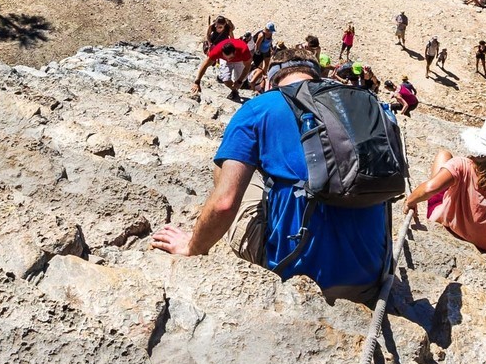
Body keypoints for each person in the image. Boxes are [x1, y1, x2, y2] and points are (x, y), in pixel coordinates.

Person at [153, 48, 392, 301]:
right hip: (370, 277)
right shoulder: (366, 106)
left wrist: (192, 246)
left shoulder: (258, 108)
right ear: (317, 76)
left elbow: (225, 203)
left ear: (269, 80)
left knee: (226, 168)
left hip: (296, 272)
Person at [404, 117, 486, 261]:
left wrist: (410, 201)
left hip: (451, 225)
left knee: (444, 155)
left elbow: (430, 188)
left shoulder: (461, 165)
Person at [193, 21, 252, 100]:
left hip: (239, 61)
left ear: (235, 52)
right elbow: (205, 64)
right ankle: (234, 91)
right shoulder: (217, 50)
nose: (229, 59)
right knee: (225, 79)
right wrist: (197, 82)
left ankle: (236, 88)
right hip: (225, 61)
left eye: (230, 57)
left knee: (240, 79)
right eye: (226, 57)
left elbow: (248, 66)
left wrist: (240, 81)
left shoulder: (243, 50)